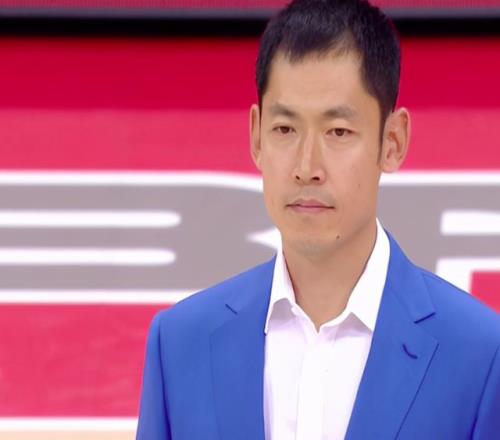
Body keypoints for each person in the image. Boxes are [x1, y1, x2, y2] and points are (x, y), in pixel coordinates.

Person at [136, 0, 500, 438]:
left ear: (392, 141)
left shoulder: (481, 356)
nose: (307, 166)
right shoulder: (179, 346)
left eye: (338, 132)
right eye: (285, 130)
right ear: (256, 136)